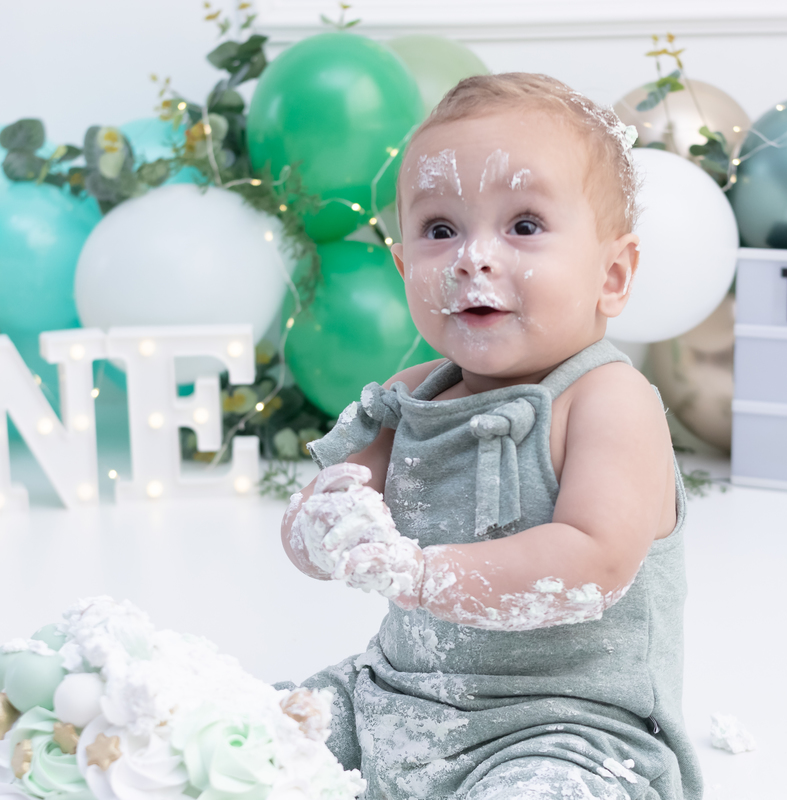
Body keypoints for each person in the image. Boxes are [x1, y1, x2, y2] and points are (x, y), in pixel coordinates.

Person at [280, 72, 701, 800]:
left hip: (567, 729)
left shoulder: (607, 401)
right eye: (441, 230)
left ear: (612, 274)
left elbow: (591, 563)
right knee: (257, 736)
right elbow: (314, 522)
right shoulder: (411, 395)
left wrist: (418, 572)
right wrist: (320, 525)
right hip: (395, 699)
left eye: (524, 226)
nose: (473, 256)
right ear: (406, 267)